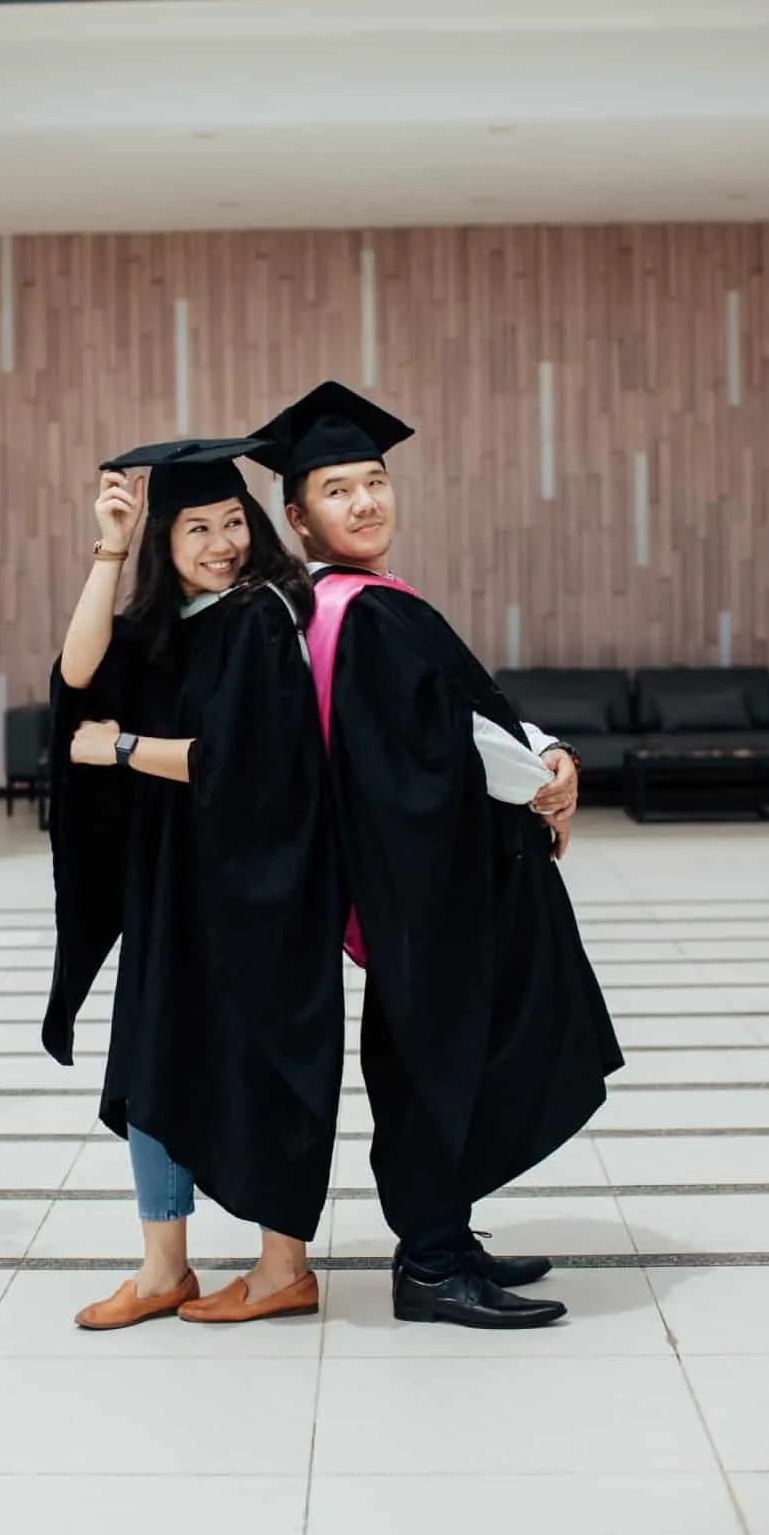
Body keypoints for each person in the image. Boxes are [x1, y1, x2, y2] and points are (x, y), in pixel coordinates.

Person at [249, 382, 624, 1330]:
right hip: (427, 879)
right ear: (297, 516)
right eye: (338, 491)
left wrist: (548, 755)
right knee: (433, 1055)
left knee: (452, 1049)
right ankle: (429, 1260)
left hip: (431, 874)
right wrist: (535, 778)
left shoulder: (359, 604)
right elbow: (423, 757)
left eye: (374, 481)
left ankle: (447, 1234)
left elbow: (465, 713)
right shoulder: (357, 612)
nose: (365, 502)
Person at [42, 436, 345, 1329]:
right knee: (150, 1057)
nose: (222, 543)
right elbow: (79, 673)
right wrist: (109, 546)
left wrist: (123, 747)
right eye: (198, 529)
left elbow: (251, 764)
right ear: (165, 544)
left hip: (264, 883)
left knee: (266, 1060)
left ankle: (284, 1264)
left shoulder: (260, 616)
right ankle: (162, 1266)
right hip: (177, 884)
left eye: (233, 524)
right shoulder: (169, 630)